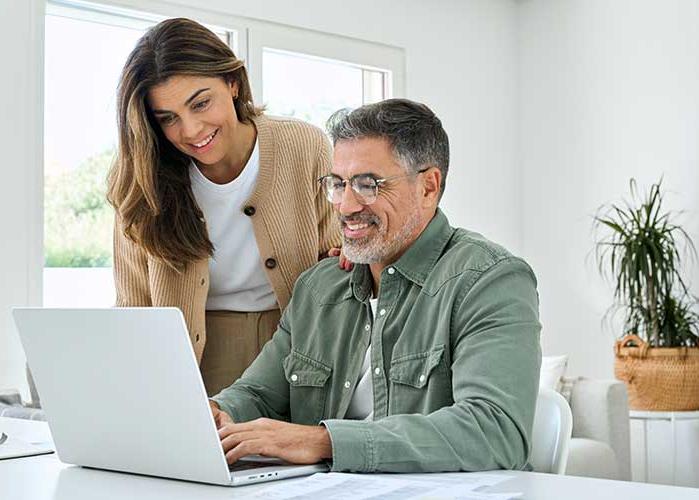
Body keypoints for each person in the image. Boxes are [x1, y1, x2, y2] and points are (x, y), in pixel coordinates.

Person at [209, 98, 543, 473]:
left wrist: (323, 442)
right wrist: (217, 413)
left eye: (368, 185)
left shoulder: (490, 279)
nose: (346, 206)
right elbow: (257, 394)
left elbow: (495, 432)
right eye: (338, 184)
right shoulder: (318, 288)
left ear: (428, 187)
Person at [106, 18, 341, 396]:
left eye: (200, 103)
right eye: (167, 118)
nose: (192, 130)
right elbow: (133, 303)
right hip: (192, 359)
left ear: (232, 83)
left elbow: (336, 262)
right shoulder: (140, 176)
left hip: (297, 349)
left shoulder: (305, 145)